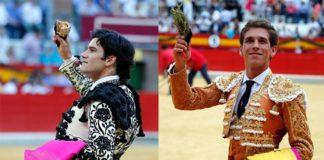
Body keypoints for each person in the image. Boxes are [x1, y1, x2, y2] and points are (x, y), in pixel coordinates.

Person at [168, 19, 313, 160]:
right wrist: (180, 65)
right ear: (241, 50)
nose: (255, 45)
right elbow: (185, 101)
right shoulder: (230, 84)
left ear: (273, 50)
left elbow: (304, 150)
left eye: (262, 41)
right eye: (249, 41)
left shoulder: (287, 92)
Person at [53, 28, 144, 159]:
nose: (83, 54)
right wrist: (67, 57)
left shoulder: (102, 101)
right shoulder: (123, 92)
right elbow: (90, 89)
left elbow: (100, 156)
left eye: (92, 50)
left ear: (109, 60)